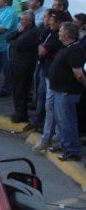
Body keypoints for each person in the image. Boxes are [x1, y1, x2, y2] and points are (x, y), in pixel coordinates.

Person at [47, 22, 85, 161]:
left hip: (67, 92)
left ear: (68, 34)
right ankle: (64, 145)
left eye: (61, 30)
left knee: (67, 121)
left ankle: (72, 150)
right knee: (61, 120)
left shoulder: (74, 50)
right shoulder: (68, 47)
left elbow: (79, 75)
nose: (59, 32)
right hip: (61, 90)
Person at [31, 10, 65, 151]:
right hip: (47, 73)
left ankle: (47, 139)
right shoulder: (50, 33)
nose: (49, 24)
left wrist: (41, 48)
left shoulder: (56, 37)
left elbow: (41, 51)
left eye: (52, 22)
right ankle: (54, 136)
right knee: (50, 106)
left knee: (51, 108)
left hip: (53, 78)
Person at [7, 11, 40, 122]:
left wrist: (12, 41)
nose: (21, 21)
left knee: (21, 90)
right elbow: (8, 37)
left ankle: (21, 114)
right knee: (17, 89)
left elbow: (18, 45)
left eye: (23, 20)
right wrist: (17, 32)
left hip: (23, 65)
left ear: (30, 22)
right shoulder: (23, 29)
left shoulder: (32, 33)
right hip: (17, 63)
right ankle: (19, 112)